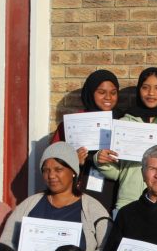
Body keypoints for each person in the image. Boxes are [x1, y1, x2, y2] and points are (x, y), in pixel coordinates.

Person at [1, 142, 111, 251]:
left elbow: (106, 248)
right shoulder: (29, 205)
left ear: (73, 171)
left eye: (58, 169)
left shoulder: (92, 208)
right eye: (46, 170)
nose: (51, 175)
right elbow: (6, 246)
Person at [96, 67, 157, 211]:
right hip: (128, 202)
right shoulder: (124, 123)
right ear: (139, 90)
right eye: (145, 88)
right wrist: (101, 162)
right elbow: (118, 172)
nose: (151, 93)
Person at [52, 70, 122, 209]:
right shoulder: (71, 124)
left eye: (113, 93)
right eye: (101, 92)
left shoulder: (122, 122)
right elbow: (52, 163)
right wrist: (73, 161)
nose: (108, 97)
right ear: (90, 93)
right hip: (80, 191)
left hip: (114, 191)